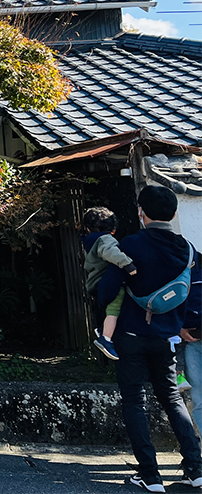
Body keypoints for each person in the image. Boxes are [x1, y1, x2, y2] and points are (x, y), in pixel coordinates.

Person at [98, 185, 202, 492]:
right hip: (166, 335)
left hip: (130, 333)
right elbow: (190, 292)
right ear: (173, 213)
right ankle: (195, 469)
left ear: (141, 213)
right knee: (171, 397)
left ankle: (150, 474)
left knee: (134, 400)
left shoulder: (131, 244)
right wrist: (181, 325)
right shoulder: (187, 249)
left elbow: (107, 289)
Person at [82, 206, 137, 360]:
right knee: (115, 308)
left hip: (95, 282)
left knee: (107, 311)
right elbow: (110, 252)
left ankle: (102, 329)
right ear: (112, 228)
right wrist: (127, 264)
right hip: (105, 281)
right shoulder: (105, 239)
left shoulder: (90, 240)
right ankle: (106, 338)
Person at [182, 247, 202, 435]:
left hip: (192, 339)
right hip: (193, 340)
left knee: (198, 398)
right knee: (198, 397)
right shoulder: (188, 260)